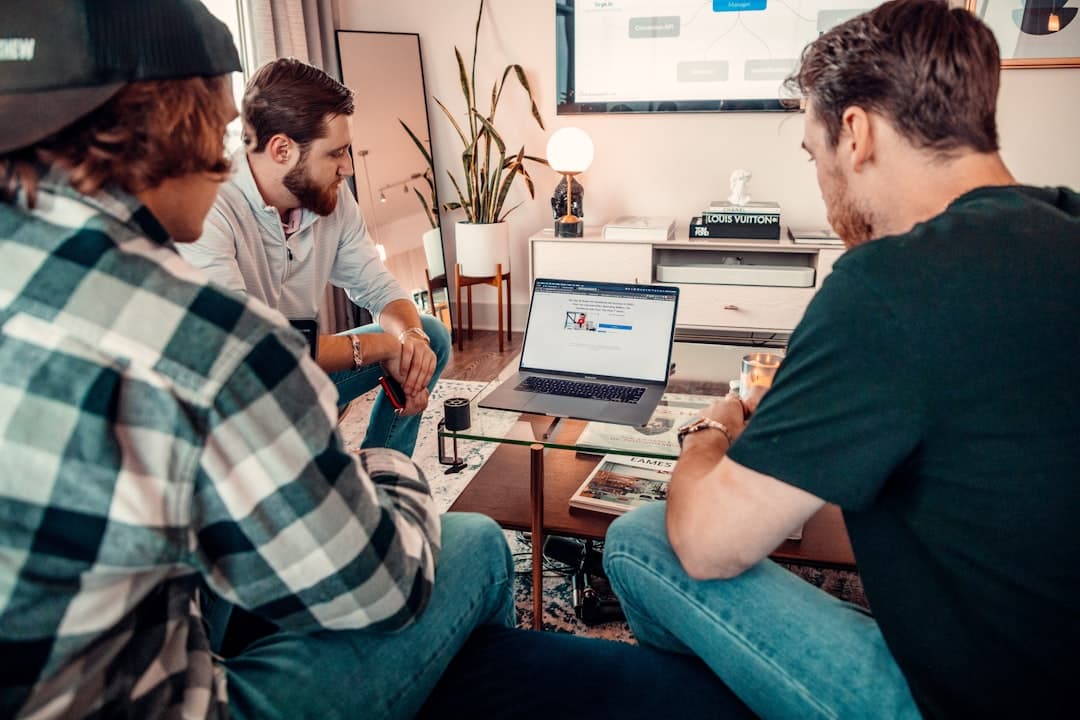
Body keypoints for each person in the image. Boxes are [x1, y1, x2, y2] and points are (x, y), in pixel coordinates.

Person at [0, 5, 761, 719]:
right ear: (176, 128)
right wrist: (383, 470)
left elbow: (377, 288)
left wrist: (404, 338)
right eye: (222, 124)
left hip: (143, 619)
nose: (223, 153)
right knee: (472, 544)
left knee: (420, 334)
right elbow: (380, 591)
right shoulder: (206, 338)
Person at [602, 1, 1080, 718]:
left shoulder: (889, 283)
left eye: (811, 151)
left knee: (643, 539)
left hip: (968, 700)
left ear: (855, 133)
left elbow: (707, 545)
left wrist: (711, 429)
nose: (820, 179)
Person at [177, 57, 450, 457]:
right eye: (336, 153)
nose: (348, 167)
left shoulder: (329, 197)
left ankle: (386, 469)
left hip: (301, 372)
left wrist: (409, 342)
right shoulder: (207, 205)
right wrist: (384, 347)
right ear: (282, 149)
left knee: (430, 336)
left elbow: (379, 287)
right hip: (237, 400)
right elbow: (252, 347)